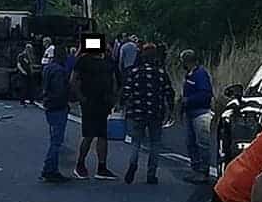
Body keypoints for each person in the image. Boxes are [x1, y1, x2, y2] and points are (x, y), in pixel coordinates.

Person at [122, 43, 174, 185]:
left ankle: (133, 165)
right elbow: (169, 92)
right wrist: (171, 109)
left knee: (136, 142)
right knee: (155, 143)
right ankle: (151, 173)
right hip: (155, 112)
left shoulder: (134, 72)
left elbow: (126, 91)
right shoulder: (161, 73)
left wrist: (125, 107)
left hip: (137, 112)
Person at [70, 41, 118, 180]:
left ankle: (101, 167)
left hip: (103, 102)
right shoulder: (83, 60)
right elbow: (73, 79)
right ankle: (80, 165)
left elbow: (113, 79)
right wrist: (81, 97)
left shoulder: (108, 61)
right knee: (89, 134)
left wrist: (113, 97)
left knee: (102, 135)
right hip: (89, 101)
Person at [180, 49, 213, 182]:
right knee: (190, 143)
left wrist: (189, 100)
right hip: (190, 113)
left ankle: (204, 171)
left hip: (201, 113)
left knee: (202, 143)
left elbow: (206, 94)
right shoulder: (190, 74)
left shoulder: (200, 74)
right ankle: (196, 169)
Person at [39, 45, 71, 183]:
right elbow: (59, 90)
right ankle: (50, 169)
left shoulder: (47, 68)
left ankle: (51, 168)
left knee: (54, 138)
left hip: (49, 105)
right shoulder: (59, 71)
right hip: (58, 106)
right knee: (56, 141)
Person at [16, 42, 36, 107]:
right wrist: (23, 71)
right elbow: (19, 64)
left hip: (30, 73)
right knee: (24, 87)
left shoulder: (31, 56)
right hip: (23, 74)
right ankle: (22, 101)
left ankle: (31, 100)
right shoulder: (21, 55)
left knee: (31, 87)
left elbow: (31, 64)